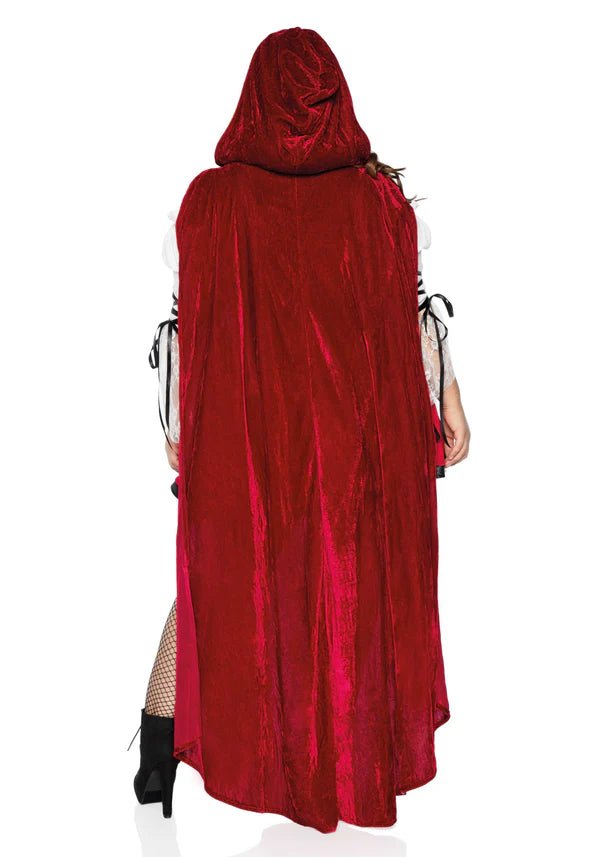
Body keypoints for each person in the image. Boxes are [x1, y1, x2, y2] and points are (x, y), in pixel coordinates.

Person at [129, 26, 470, 832]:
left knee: (223, 587)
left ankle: (157, 752)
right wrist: (450, 400)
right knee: (348, 594)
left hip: (246, 445)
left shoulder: (208, 205)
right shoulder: (381, 203)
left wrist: (177, 425)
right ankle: (339, 763)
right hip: (354, 452)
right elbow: (416, 313)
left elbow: (181, 325)